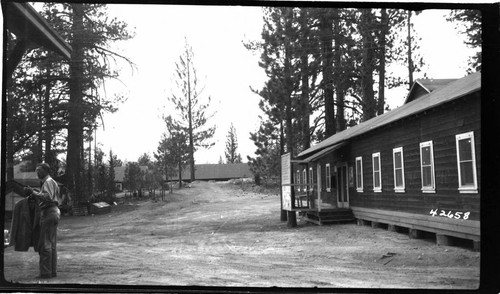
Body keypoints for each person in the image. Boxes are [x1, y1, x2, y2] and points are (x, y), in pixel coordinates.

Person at [24, 163, 61, 279]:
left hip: (49, 212)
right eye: (36, 171)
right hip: (53, 212)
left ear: (46, 170)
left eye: (39, 170)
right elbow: (47, 195)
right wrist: (36, 192)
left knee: (44, 244)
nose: (37, 173)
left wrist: (33, 192)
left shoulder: (48, 181)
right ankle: (52, 272)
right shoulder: (52, 182)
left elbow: (47, 197)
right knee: (51, 244)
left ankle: (45, 273)